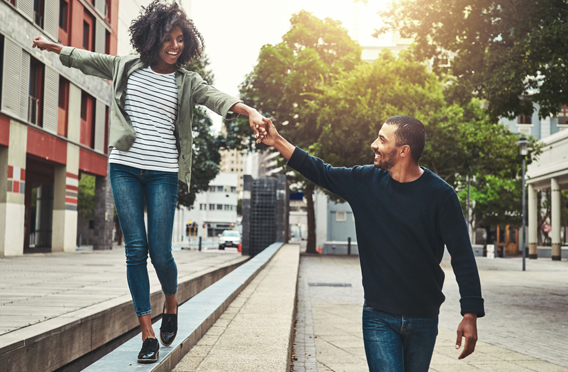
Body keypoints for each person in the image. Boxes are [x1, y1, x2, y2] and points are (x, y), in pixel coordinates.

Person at [32, 1, 266, 364]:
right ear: (152, 38)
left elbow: (218, 98)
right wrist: (56, 49)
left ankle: (171, 304)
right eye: (168, 39)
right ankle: (147, 332)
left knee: (161, 251)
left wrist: (249, 110)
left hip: (163, 172)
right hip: (124, 167)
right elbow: (88, 58)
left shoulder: (187, 81)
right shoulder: (126, 67)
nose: (175, 46)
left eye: (181, 40)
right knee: (135, 250)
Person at [258, 115, 484, 372]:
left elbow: (463, 255)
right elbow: (318, 169)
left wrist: (470, 313)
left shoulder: (441, 196)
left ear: (402, 151)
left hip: (424, 316)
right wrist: (275, 140)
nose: (373, 144)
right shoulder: (365, 181)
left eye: (382, 140)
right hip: (378, 315)